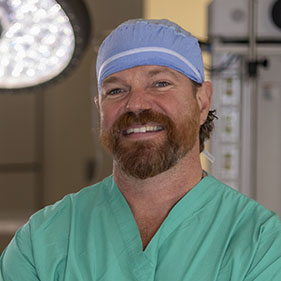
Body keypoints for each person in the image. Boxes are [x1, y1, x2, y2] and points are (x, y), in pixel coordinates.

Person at [1, 19, 281, 281]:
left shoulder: (260, 244)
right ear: (100, 109)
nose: (136, 104)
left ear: (202, 102)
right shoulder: (43, 241)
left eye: (160, 84)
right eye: (116, 91)